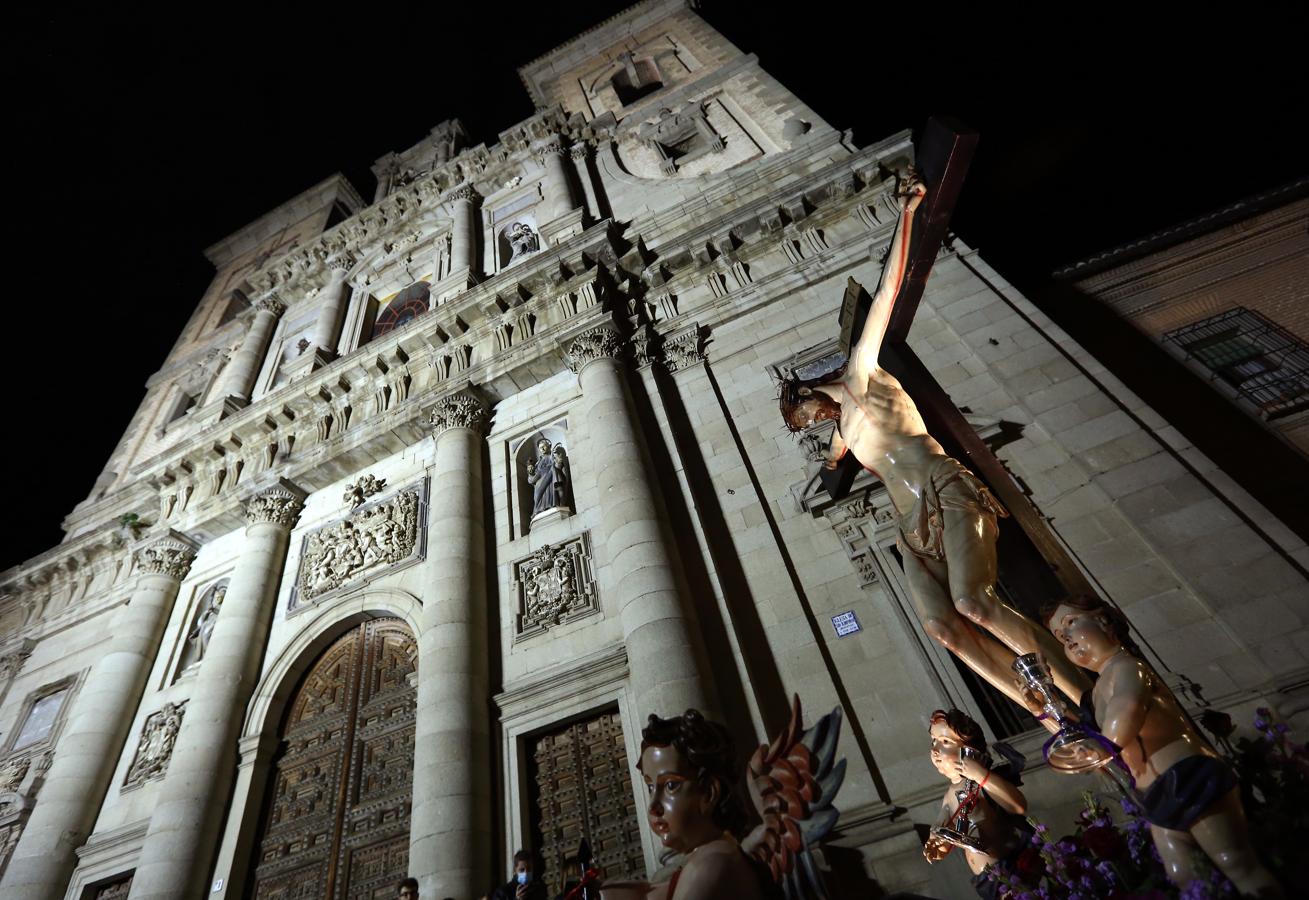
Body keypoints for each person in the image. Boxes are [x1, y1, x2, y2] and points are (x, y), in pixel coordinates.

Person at [777, 170, 1084, 710]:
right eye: (806, 428)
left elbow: (887, 295)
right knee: (945, 628)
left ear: (804, 389)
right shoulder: (842, 433)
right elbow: (829, 471)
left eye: (804, 415)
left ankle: (1080, 699)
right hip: (908, 526)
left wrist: (908, 214)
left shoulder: (861, 374)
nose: (814, 423)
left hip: (943, 489)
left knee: (975, 604)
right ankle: (1051, 716)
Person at [1041, 596, 1283, 898]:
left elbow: (1127, 708)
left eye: (1071, 623)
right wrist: (1044, 709)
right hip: (1153, 794)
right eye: (1060, 637)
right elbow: (1085, 739)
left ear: (1103, 620)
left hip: (1187, 775)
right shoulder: (1096, 692)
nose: (1066, 637)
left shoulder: (1128, 666)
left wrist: (1102, 744)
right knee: (1184, 877)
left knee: (1233, 861)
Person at [595, 711, 781, 900]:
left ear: (709, 793)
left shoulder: (711, 863)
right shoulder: (707, 857)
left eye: (670, 786)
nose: (653, 806)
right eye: (650, 787)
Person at [921, 709, 1028, 900]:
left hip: (1007, 868)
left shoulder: (981, 784)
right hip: (984, 878)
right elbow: (945, 828)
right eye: (934, 741)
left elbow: (1018, 806)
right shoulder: (948, 796)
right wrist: (939, 845)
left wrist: (982, 775)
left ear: (969, 749)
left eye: (946, 742)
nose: (935, 750)